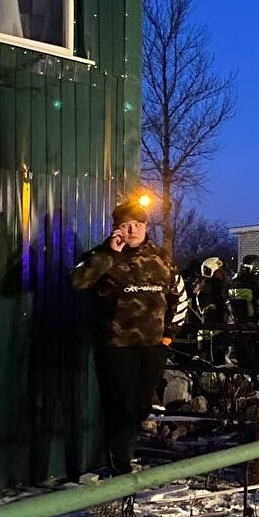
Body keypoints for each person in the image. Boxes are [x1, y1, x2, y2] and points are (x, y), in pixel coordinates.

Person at [71, 199, 188, 474]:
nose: (132, 230)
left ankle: (124, 455)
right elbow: (77, 281)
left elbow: (179, 297)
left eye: (138, 224)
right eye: (126, 225)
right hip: (115, 346)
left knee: (140, 406)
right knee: (118, 405)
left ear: (146, 226)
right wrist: (108, 255)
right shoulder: (100, 256)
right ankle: (119, 465)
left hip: (152, 346)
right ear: (116, 229)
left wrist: (169, 336)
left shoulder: (162, 260)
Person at [228, 255, 259, 370]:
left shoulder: (232, 284)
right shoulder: (258, 288)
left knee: (240, 367)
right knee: (256, 368)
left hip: (236, 331)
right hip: (253, 333)